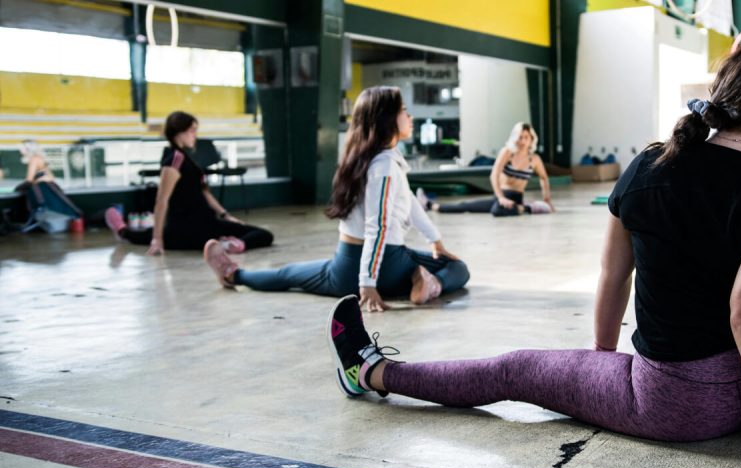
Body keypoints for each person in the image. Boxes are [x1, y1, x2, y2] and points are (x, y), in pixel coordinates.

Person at [325, 43, 741, 468]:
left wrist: (604, 360)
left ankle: (370, 371)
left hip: (671, 404)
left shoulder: (651, 164)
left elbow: (615, 273)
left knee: (513, 370)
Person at [204, 86, 469, 311]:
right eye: (403, 110)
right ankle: (430, 283)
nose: (409, 116)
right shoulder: (385, 165)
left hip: (347, 263)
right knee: (458, 269)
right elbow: (378, 227)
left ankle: (234, 274)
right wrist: (367, 282)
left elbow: (409, 201)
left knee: (288, 274)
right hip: (384, 265)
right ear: (387, 118)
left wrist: (435, 240)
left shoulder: (363, 161)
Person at [104, 112, 273, 255]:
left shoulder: (186, 159)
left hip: (201, 224)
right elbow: (161, 200)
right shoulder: (174, 160)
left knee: (262, 235)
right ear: (179, 132)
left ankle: (232, 245)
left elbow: (204, 192)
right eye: (192, 131)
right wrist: (157, 239)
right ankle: (122, 229)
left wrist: (225, 215)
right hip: (189, 227)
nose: (195, 135)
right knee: (262, 235)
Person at [421, 122, 554, 216]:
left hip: (516, 198)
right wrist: (501, 197)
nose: (522, 141)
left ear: (531, 139)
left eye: (526, 137)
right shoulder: (507, 152)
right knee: (467, 206)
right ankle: (430, 205)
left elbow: (544, 177)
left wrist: (547, 199)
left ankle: (523, 207)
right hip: (501, 196)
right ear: (515, 138)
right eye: (520, 137)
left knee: (497, 210)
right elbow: (494, 174)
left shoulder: (534, 159)